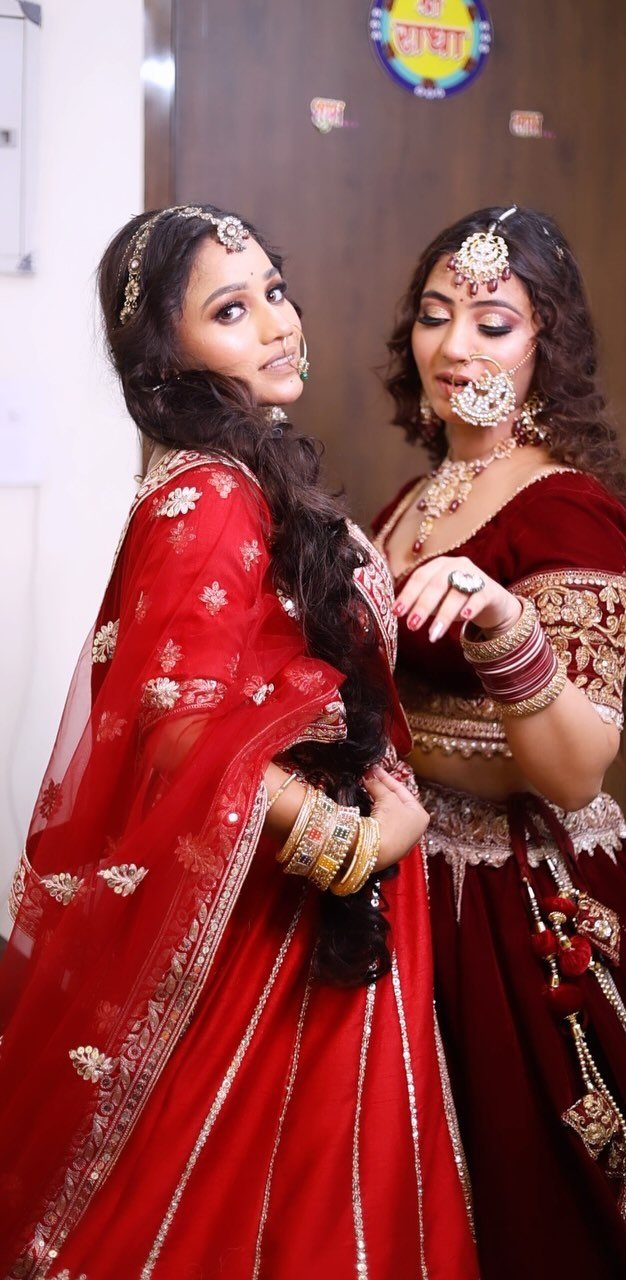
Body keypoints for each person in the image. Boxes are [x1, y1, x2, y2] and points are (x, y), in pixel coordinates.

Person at [0, 205, 478, 1280]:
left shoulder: (242, 470)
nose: (276, 322)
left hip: (304, 898)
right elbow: (179, 726)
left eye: (274, 289)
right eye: (230, 309)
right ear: (166, 355)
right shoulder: (212, 490)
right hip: (282, 917)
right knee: (257, 1201)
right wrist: (350, 844)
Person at [373, 205, 626, 1280]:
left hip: (513, 898)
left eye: (493, 323)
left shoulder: (569, 510)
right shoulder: (415, 499)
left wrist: (505, 624)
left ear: (546, 347)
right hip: (405, 878)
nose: (455, 348)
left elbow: (574, 768)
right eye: (435, 315)